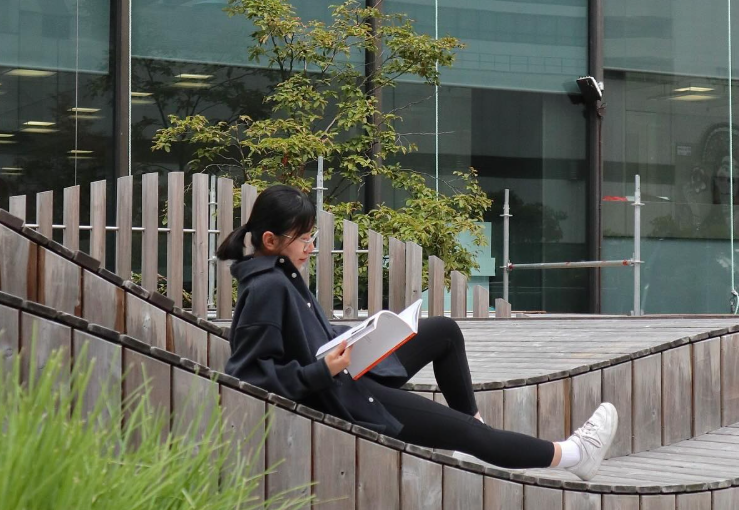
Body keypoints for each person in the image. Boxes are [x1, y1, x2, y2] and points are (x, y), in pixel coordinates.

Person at [218, 185, 617, 480]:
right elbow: (249, 376)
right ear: (271, 240)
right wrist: (321, 371)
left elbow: (307, 336)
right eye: (303, 239)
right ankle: (573, 454)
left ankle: (474, 427)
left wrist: (366, 333)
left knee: (443, 331)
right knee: (465, 434)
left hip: (345, 374)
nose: (309, 247)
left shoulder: (280, 275)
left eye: (311, 237)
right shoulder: (266, 288)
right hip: (343, 397)